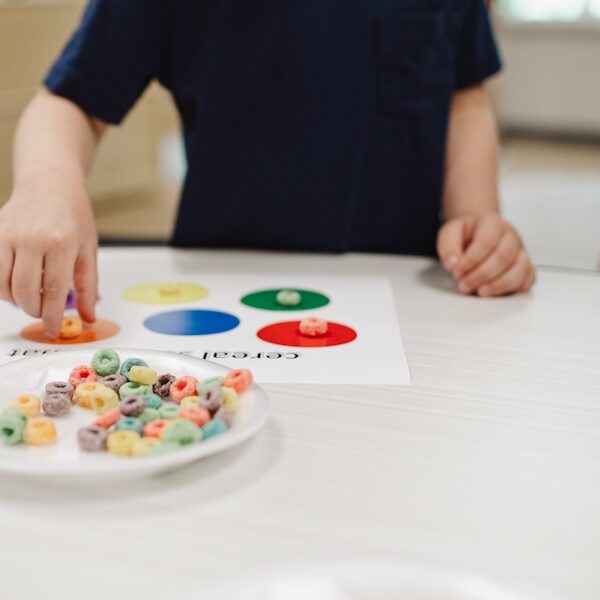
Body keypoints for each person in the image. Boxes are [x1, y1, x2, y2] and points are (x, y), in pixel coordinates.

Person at [0, 0, 535, 339]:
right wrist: (47, 183)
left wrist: (476, 213)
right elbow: (69, 101)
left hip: (411, 293)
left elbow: (466, 93)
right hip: (219, 292)